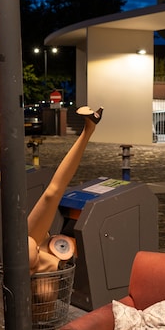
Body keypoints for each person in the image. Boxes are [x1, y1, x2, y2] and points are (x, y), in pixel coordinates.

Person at [27, 106, 102, 273]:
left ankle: (88, 131)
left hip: (36, 259)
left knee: (53, 193)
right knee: (53, 193)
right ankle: (88, 131)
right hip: (38, 263)